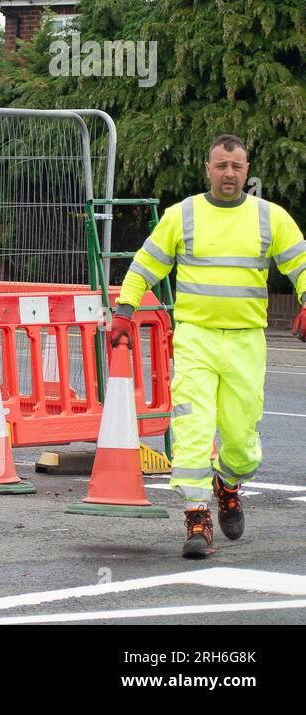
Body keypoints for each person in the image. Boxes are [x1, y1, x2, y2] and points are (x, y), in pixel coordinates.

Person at [111, 134, 306, 558]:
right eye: (221, 165)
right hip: (195, 338)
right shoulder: (183, 216)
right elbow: (145, 265)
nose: (229, 174)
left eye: (236, 167)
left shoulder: (270, 219)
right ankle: (196, 518)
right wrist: (125, 309)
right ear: (208, 169)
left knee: (241, 443)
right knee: (192, 429)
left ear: (247, 169)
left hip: (245, 343)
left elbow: (301, 266)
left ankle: (228, 483)